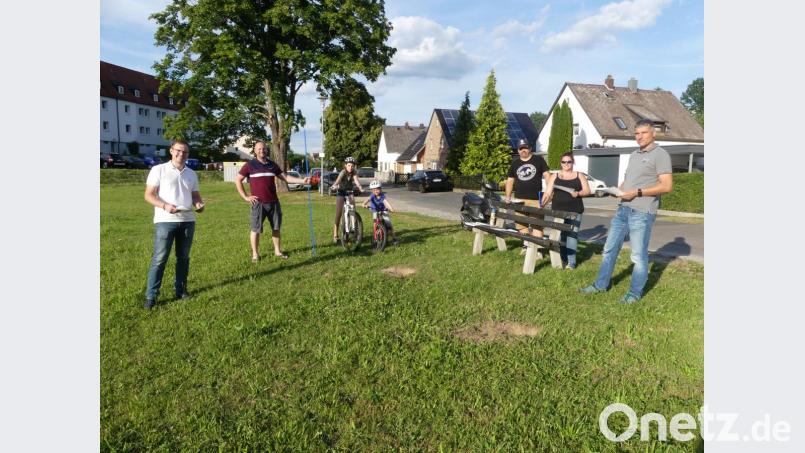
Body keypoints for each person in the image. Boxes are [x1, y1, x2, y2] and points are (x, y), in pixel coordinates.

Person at [580, 119, 673, 304]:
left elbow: (667, 186)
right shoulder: (634, 154)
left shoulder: (661, 155)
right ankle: (601, 285)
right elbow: (628, 180)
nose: (639, 137)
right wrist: (618, 191)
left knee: (638, 256)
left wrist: (637, 193)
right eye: (636, 134)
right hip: (623, 209)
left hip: (642, 212)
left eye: (643, 133)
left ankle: (634, 293)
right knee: (609, 249)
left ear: (653, 133)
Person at [143, 140, 205, 309]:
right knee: (160, 258)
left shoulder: (191, 173)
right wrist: (165, 206)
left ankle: (181, 290)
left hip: (187, 221)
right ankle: (151, 296)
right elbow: (148, 195)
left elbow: (196, 196)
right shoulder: (159, 170)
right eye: (178, 150)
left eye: (185, 152)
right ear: (171, 151)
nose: (181, 154)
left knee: (183, 258)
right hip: (165, 221)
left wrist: (199, 204)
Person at [235, 141, 310, 262]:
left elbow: (285, 177)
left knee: (276, 228)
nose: (262, 150)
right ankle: (255, 254)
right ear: (255, 150)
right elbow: (238, 180)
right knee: (255, 229)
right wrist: (245, 197)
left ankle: (277, 251)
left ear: (267, 150)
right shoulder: (250, 165)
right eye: (259, 149)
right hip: (257, 203)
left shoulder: (272, 165)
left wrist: (302, 181)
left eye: (264, 148)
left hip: (274, 203)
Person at [540, 152, 590, 269]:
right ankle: (563, 258)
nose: (566, 164)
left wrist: (578, 193)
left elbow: (587, 191)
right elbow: (548, 192)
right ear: (560, 163)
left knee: (572, 236)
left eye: (569, 162)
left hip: (575, 211)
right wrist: (542, 202)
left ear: (573, 163)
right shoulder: (554, 176)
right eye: (564, 162)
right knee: (561, 236)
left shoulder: (579, 175)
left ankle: (571, 263)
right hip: (559, 211)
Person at [505, 138, 551, 253]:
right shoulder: (515, 163)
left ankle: (537, 251)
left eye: (525, 147)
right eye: (521, 148)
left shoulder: (538, 160)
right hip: (519, 200)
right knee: (521, 225)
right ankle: (526, 246)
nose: (523, 150)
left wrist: (549, 193)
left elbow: (547, 176)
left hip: (536, 200)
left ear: (530, 148)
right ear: (518, 150)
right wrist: (508, 196)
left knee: (537, 225)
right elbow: (510, 181)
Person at [331, 156, 364, 242]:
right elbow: (338, 180)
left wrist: (360, 187)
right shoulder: (343, 172)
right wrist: (334, 186)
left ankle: (355, 231)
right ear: (345, 165)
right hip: (341, 192)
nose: (350, 167)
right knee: (338, 214)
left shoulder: (354, 173)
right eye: (349, 165)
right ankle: (335, 234)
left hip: (349, 192)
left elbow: (356, 181)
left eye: (352, 166)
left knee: (353, 209)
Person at [362, 180, 398, 245]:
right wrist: (364, 204)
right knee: (375, 224)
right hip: (375, 210)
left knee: (389, 224)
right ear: (372, 190)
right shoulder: (372, 195)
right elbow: (368, 199)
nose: (376, 191)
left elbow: (386, 202)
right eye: (374, 190)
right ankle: (375, 237)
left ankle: (394, 238)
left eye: (378, 189)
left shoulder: (382, 196)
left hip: (383, 210)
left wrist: (391, 209)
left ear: (380, 189)